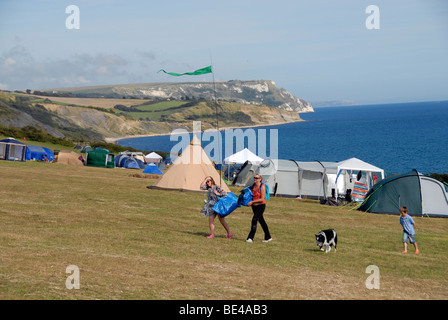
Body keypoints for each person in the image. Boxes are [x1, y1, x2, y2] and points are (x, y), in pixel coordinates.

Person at [246, 174, 272, 243]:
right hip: (254, 206)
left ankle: (250, 238)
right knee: (262, 221)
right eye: (254, 177)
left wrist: (252, 202)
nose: (255, 179)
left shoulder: (262, 186)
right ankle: (268, 237)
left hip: (261, 206)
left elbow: (262, 199)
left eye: (256, 178)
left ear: (260, 179)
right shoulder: (253, 185)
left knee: (254, 220)